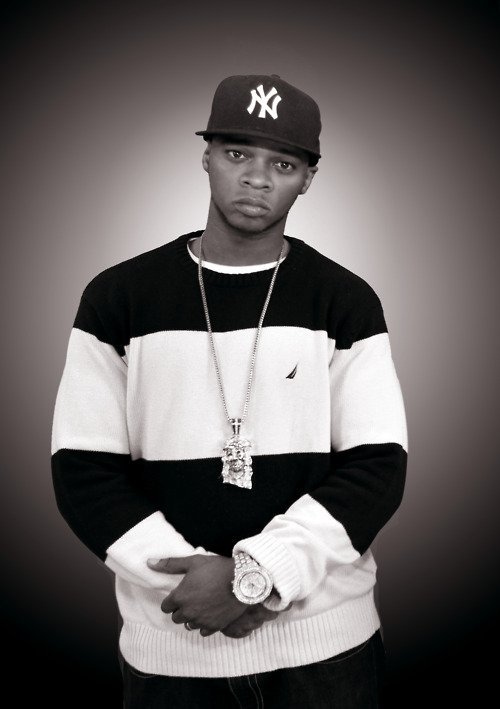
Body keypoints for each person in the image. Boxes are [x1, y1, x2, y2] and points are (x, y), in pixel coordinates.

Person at [51, 73, 408, 708]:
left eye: (283, 164)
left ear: (308, 178)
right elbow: (83, 469)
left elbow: (377, 466)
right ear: (207, 157)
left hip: (325, 653)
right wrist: (191, 583)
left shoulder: (344, 300)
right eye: (238, 153)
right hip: (171, 651)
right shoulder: (118, 297)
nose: (257, 179)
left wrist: (256, 576)